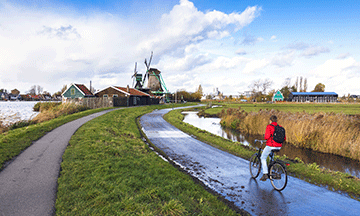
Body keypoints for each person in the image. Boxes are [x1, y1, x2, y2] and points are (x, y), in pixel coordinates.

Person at [260, 115, 286, 181]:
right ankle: (272, 168)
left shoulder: (269, 126)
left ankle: (265, 174)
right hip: (279, 146)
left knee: (263, 158)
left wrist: (265, 136)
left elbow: (266, 137)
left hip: (271, 145)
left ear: (270, 120)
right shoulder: (280, 127)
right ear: (276, 121)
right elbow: (284, 138)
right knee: (271, 157)